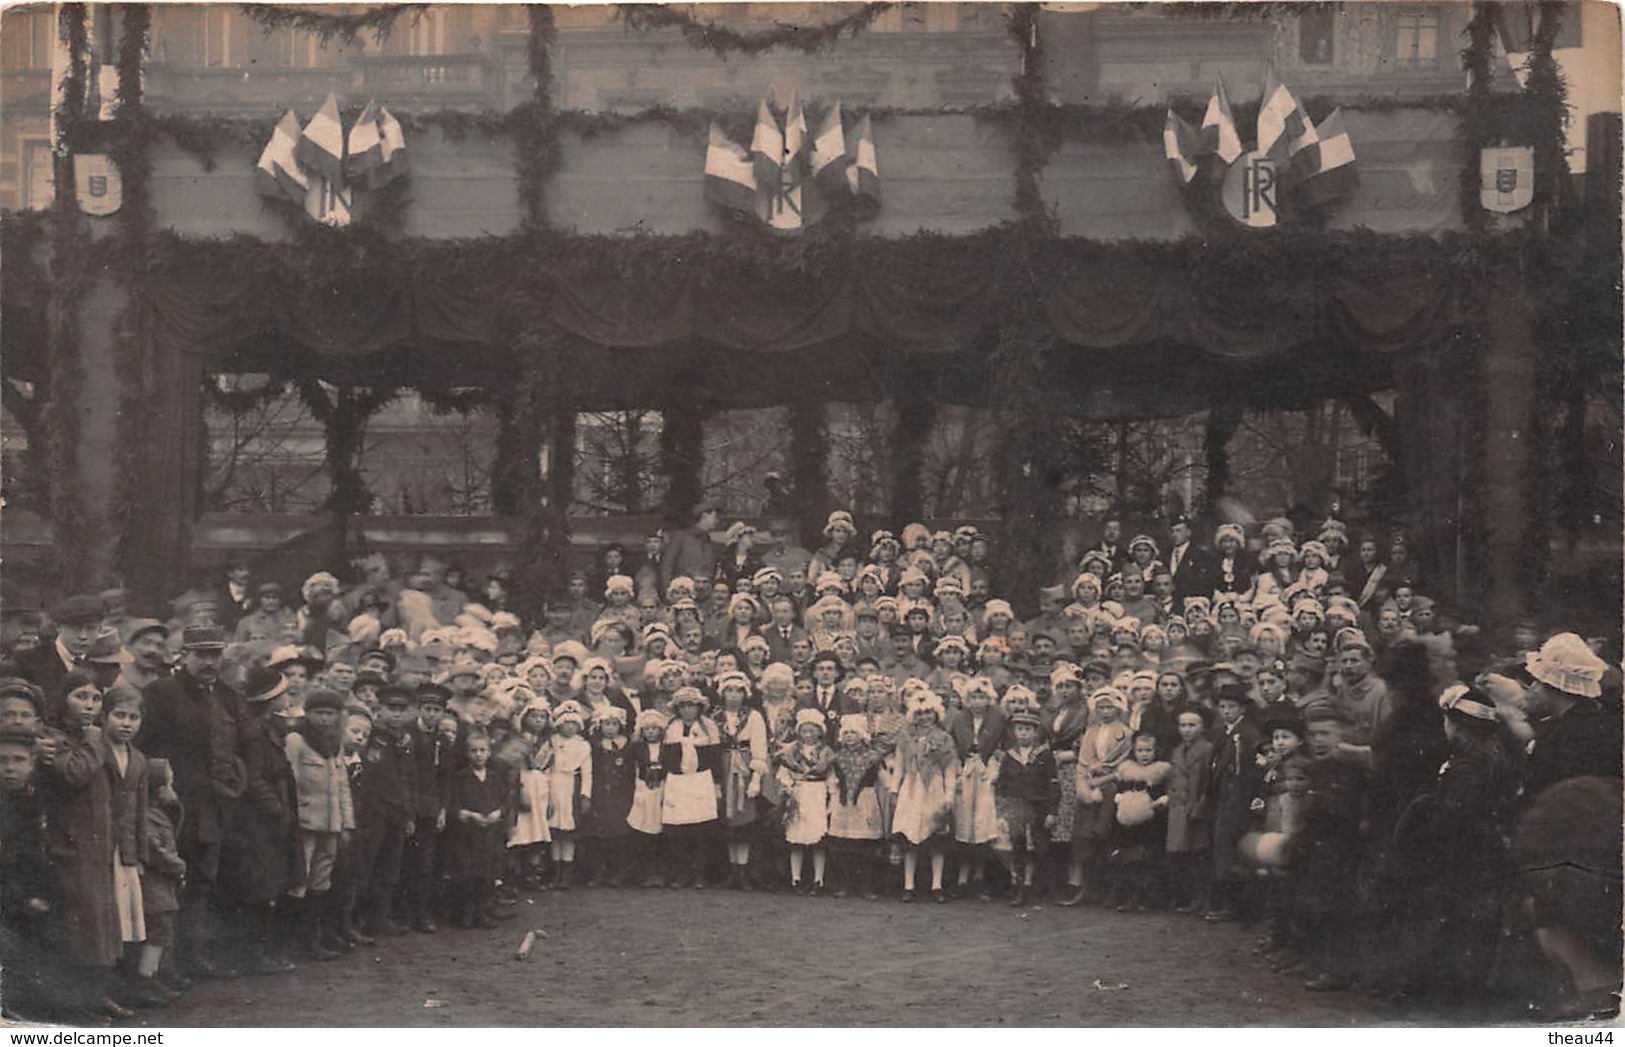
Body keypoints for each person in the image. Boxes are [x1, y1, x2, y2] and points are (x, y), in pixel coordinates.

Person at [136, 625, 244, 982]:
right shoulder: (160, 693)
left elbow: (235, 746)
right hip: (173, 807)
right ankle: (162, 968)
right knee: (169, 885)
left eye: (215, 654)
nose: (210, 662)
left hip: (213, 807)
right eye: (201, 654)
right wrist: (160, 787)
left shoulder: (226, 695)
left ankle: (193, 957)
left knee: (202, 881)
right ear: (183, 656)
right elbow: (143, 747)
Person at [219, 665, 298, 977]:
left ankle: (257, 953)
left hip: (265, 820)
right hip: (256, 822)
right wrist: (276, 807)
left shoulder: (263, 730)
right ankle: (252, 956)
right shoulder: (253, 735)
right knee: (258, 889)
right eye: (283, 695)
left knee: (266, 887)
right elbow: (253, 778)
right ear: (270, 700)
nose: (287, 700)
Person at [281, 687, 353, 961]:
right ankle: (289, 943)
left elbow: (342, 785)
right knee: (298, 879)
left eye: (330, 714)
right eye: (319, 713)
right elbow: (289, 783)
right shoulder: (297, 740)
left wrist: (347, 823)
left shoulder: (335, 742)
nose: (324, 719)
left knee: (321, 881)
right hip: (305, 823)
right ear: (307, 714)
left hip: (331, 823)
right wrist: (292, 820)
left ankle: (312, 939)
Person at [1519, 632, 1621, 798]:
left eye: (1537, 681)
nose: (1531, 688)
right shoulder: (1600, 720)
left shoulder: (1562, 737)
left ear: (1553, 685)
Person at [891, 689, 958, 903]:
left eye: (929, 713)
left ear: (936, 714)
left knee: (935, 837)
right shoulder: (906, 737)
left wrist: (948, 796)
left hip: (934, 788)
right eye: (920, 714)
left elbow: (949, 770)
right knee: (910, 836)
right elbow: (899, 766)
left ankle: (936, 884)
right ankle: (908, 884)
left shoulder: (944, 738)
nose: (925, 718)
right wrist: (894, 789)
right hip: (911, 789)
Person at [442, 730, 507, 929]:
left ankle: (481, 911)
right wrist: (469, 815)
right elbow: (453, 805)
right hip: (466, 834)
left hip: (488, 834)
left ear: (489, 753)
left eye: (482, 750)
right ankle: (466, 913)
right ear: (467, 754)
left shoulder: (495, 778)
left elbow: (505, 802)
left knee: (486, 873)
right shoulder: (460, 778)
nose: (478, 754)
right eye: (474, 751)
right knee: (465, 874)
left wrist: (498, 813)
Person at [991, 708, 1056, 907]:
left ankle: (1029, 884)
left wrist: (1052, 811)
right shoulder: (1009, 757)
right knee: (1015, 847)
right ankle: (1017, 884)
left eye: (1028, 729)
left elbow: (1053, 784)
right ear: (1014, 732)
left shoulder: (1044, 755)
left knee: (1033, 847)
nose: (1024, 733)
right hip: (1015, 807)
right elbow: (1001, 785)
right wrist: (1001, 811)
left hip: (1037, 807)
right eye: (1020, 729)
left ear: (1036, 732)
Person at [777, 708, 835, 894]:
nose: (808, 735)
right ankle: (796, 878)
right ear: (799, 732)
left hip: (817, 794)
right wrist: (788, 786)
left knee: (818, 839)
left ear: (820, 732)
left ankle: (819, 879)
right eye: (804, 731)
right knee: (796, 838)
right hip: (798, 793)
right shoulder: (791, 751)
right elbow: (783, 772)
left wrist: (832, 796)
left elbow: (831, 777)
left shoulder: (826, 752)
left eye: (812, 731)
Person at [1165, 706, 1214, 914]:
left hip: (1196, 807)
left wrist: (1201, 803)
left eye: (1192, 725)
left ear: (1202, 727)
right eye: (1183, 725)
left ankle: (1203, 899)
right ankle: (1188, 897)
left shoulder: (1207, 749)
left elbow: (1209, 781)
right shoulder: (1177, 751)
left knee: (1198, 855)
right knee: (1181, 856)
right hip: (1178, 808)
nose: (1187, 730)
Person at [545, 701, 592, 889]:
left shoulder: (583, 745)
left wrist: (585, 795)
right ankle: (555, 870)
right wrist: (546, 795)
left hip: (571, 787)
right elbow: (547, 767)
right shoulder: (553, 742)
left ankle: (567, 872)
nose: (570, 726)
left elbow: (588, 773)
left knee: (569, 833)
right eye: (566, 723)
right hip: (554, 785)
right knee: (555, 831)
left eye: (574, 723)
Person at [662, 506, 722, 589]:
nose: (717, 521)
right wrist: (669, 589)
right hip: (683, 591)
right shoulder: (680, 537)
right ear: (704, 516)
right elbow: (667, 565)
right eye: (715, 517)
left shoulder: (710, 544)